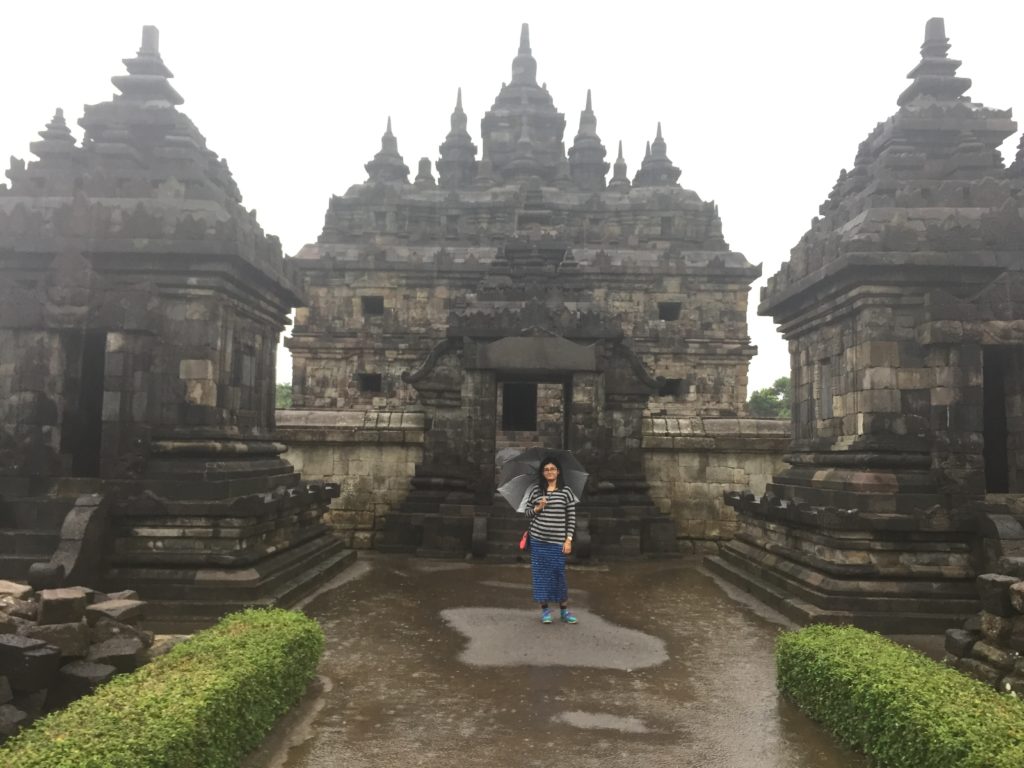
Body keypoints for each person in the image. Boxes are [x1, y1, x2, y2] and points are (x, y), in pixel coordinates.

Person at [524, 456, 578, 624]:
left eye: (552, 469)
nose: (549, 472)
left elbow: (571, 517)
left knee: (558, 576)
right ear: (542, 473)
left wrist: (568, 539)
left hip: (557, 541)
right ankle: (545, 611)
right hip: (538, 540)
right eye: (546, 469)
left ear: (558, 472)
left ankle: (564, 611)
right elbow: (527, 513)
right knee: (540, 576)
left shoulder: (566, 491)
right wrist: (538, 507)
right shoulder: (536, 491)